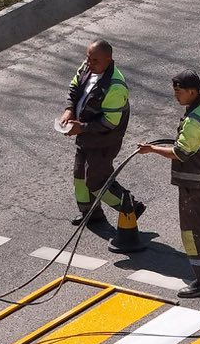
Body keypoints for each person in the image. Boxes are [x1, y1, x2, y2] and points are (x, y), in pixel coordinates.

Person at [138, 71, 200, 299]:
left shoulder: (193, 122)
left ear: (192, 91)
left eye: (179, 92)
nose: (175, 96)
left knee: (192, 231)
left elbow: (181, 153)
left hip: (195, 184)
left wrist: (152, 149)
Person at [58, 40, 145, 254]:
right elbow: (74, 87)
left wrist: (82, 128)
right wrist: (70, 110)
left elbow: (110, 122)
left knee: (96, 180)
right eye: (88, 57)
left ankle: (129, 208)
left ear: (109, 60)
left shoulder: (115, 85)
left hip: (104, 140)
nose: (89, 63)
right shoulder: (87, 66)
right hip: (85, 136)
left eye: (95, 60)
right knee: (79, 175)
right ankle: (91, 215)